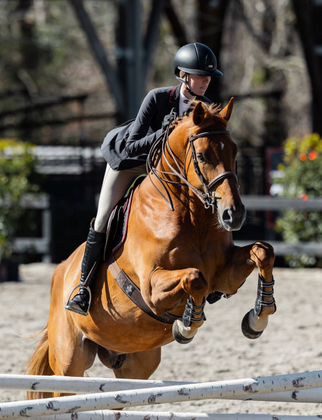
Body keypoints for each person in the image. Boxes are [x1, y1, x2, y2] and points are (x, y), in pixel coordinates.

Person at [65, 42, 224, 316]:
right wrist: (163, 132)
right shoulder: (158, 98)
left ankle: (216, 273)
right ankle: (83, 288)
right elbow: (131, 146)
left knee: (212, 204)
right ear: (183, 75)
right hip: (130, 163)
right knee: (103, 218)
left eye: (209, 76)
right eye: (200, 75)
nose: (206, 81)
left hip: (166, 173)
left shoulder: (206, 107)